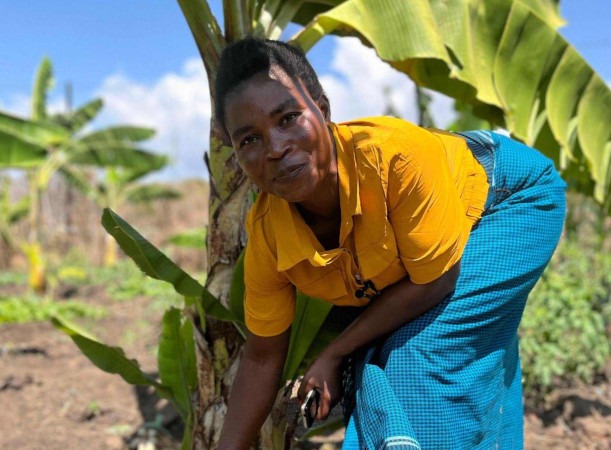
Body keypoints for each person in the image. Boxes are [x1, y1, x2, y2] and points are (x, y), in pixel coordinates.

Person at [214, 37, 566, 450]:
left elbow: (435, 281)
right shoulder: (269, 237)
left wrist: (334, 353)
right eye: (249, 140)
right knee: (407, 354)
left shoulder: (394, 160)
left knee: (419, 358)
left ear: (322, 110)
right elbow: (261, 358)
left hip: (509, 199)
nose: (275, 148)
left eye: (288, 118)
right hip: (437, 249)